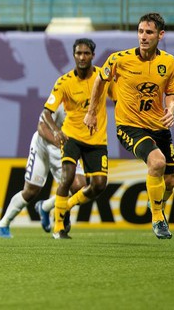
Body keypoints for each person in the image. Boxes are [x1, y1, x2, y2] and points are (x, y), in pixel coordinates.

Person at [83, 12, 174, 240]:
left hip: (158, 126)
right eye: (140, 31)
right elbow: (99, 80)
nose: (143, 37)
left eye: (149, 32)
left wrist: (171, 109)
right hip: (129, 126)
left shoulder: (169, 62)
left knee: (170, 182)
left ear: (160, 35)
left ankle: (155, 202)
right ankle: (157, 218)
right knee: (157, 162)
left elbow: (171, 93)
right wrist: (91, 112)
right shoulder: (119, 59)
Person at [42, 38, 110, 239]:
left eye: (86, 53)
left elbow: (118, 96)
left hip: (97, 139)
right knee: (68, 177)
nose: (82, 57)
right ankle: (58, 227)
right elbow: (47, 112)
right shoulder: (64, 82)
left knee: (98, 185)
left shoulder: (102, 77)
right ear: (74, 56)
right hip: (71, 136)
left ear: (92, 56)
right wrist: (56, 131)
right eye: (79, 53)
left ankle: (66, 206)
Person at [0, 104, 86, 239]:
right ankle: (3, 223)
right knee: (31, 191)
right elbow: (42, 127)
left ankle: (46, 206)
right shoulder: (62, 99)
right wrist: (58, 141)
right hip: (42, 147)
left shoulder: (91, 105)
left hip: (65, 149)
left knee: (80, 188)